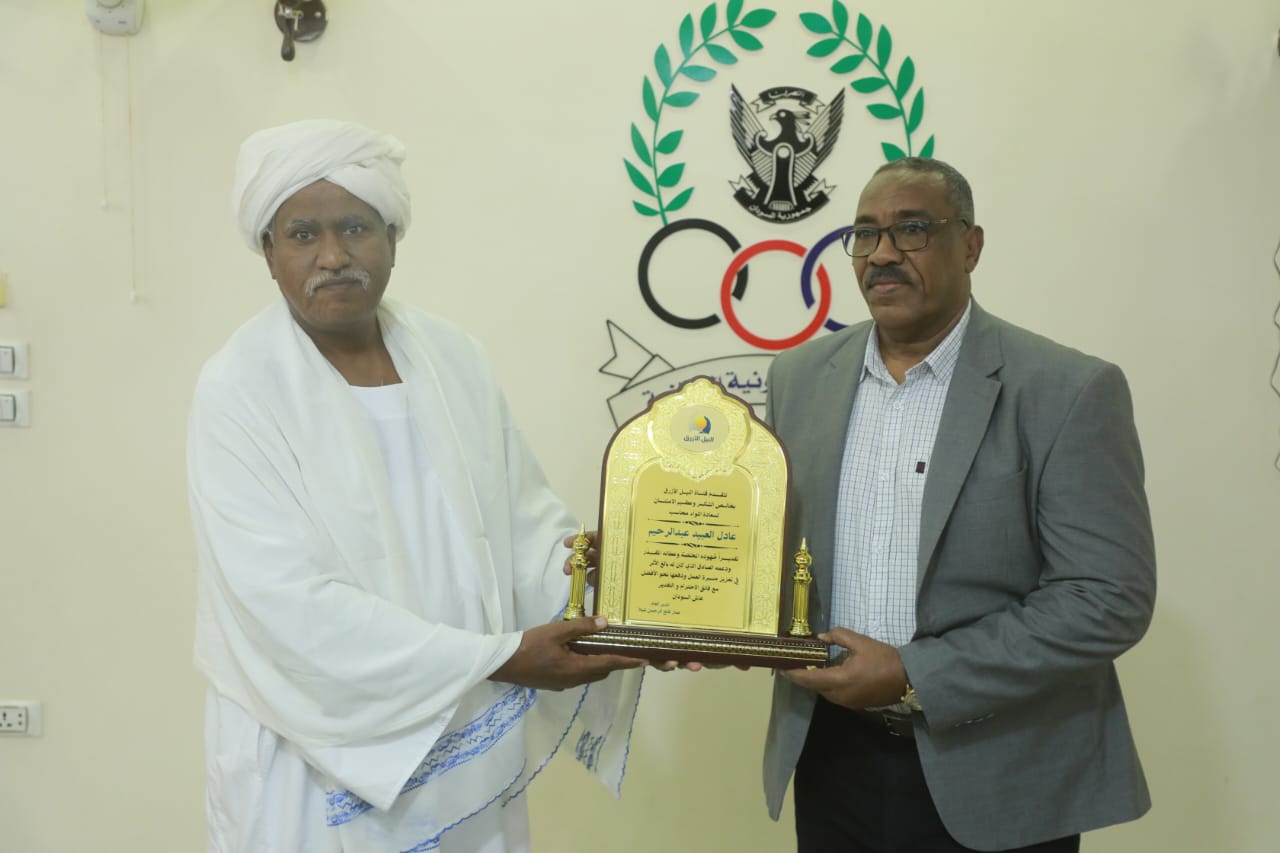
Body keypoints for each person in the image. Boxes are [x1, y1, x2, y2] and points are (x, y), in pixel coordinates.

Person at [187, 119, 645, 853]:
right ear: (268, 252)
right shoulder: (238, 389)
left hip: (465, 732)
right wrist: (500, 657)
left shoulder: (453, 357)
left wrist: (623, 596)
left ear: (393, 237)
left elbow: (526, 528)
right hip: (314, 758)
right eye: (303, 234)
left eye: (355, 228)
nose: (333, 256)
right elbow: (283, 604)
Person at [761, 157, 1156, 852]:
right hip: (830, 759)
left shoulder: (1066, 389)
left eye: (912, 229)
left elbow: (1106, 597)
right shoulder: (799, 377)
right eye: (865, 233)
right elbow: (770, 552)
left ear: (970, 246)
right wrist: (677, 608)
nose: (883, 254)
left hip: (1002, 767)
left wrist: (915, 674)